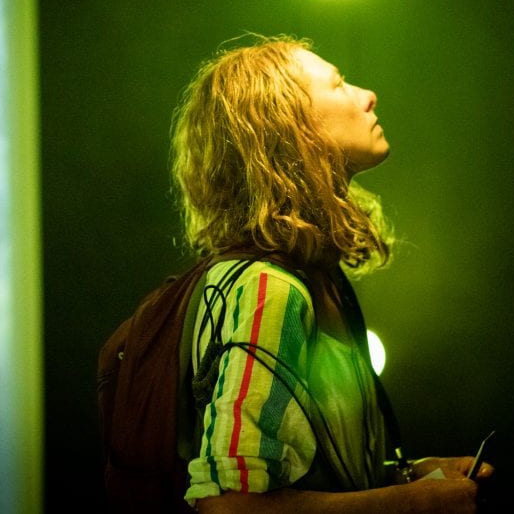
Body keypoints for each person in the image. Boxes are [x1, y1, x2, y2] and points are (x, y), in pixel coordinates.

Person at [170, 33, 494, 512]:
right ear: (292, 128)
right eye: (339, 84)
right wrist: (410, 505)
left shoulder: (314, 277)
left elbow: (298, 472)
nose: (368, 96)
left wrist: (410, 477)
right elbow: (231, 506)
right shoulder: (268, 289)